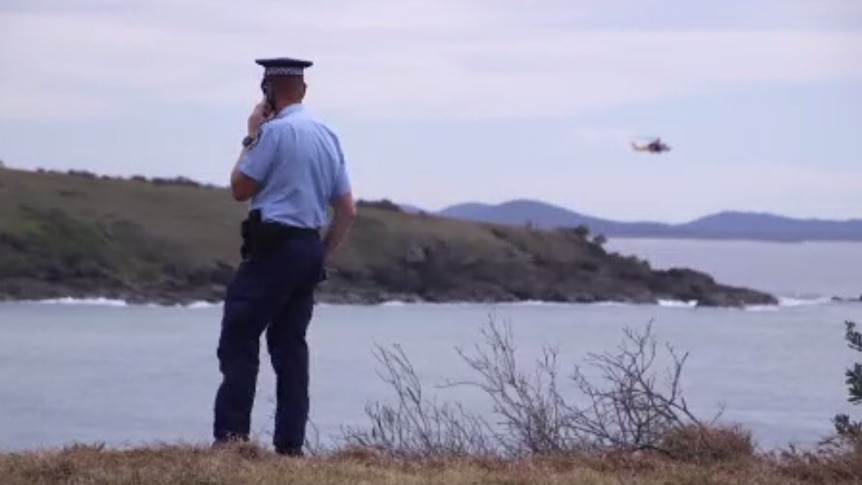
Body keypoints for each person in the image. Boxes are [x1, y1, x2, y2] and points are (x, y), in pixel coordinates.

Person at [212, 56, 356, 457]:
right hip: (309, 247)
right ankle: (290, 447)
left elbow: (240, 188)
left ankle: (231, 441)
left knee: (239, 337)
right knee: (290, 346)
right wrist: (320, 254)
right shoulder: (328, 135)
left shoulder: (273, 133)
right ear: (304, 90)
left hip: (273, 246)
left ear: (268, 92)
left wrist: (250, 135)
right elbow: (347, 209)